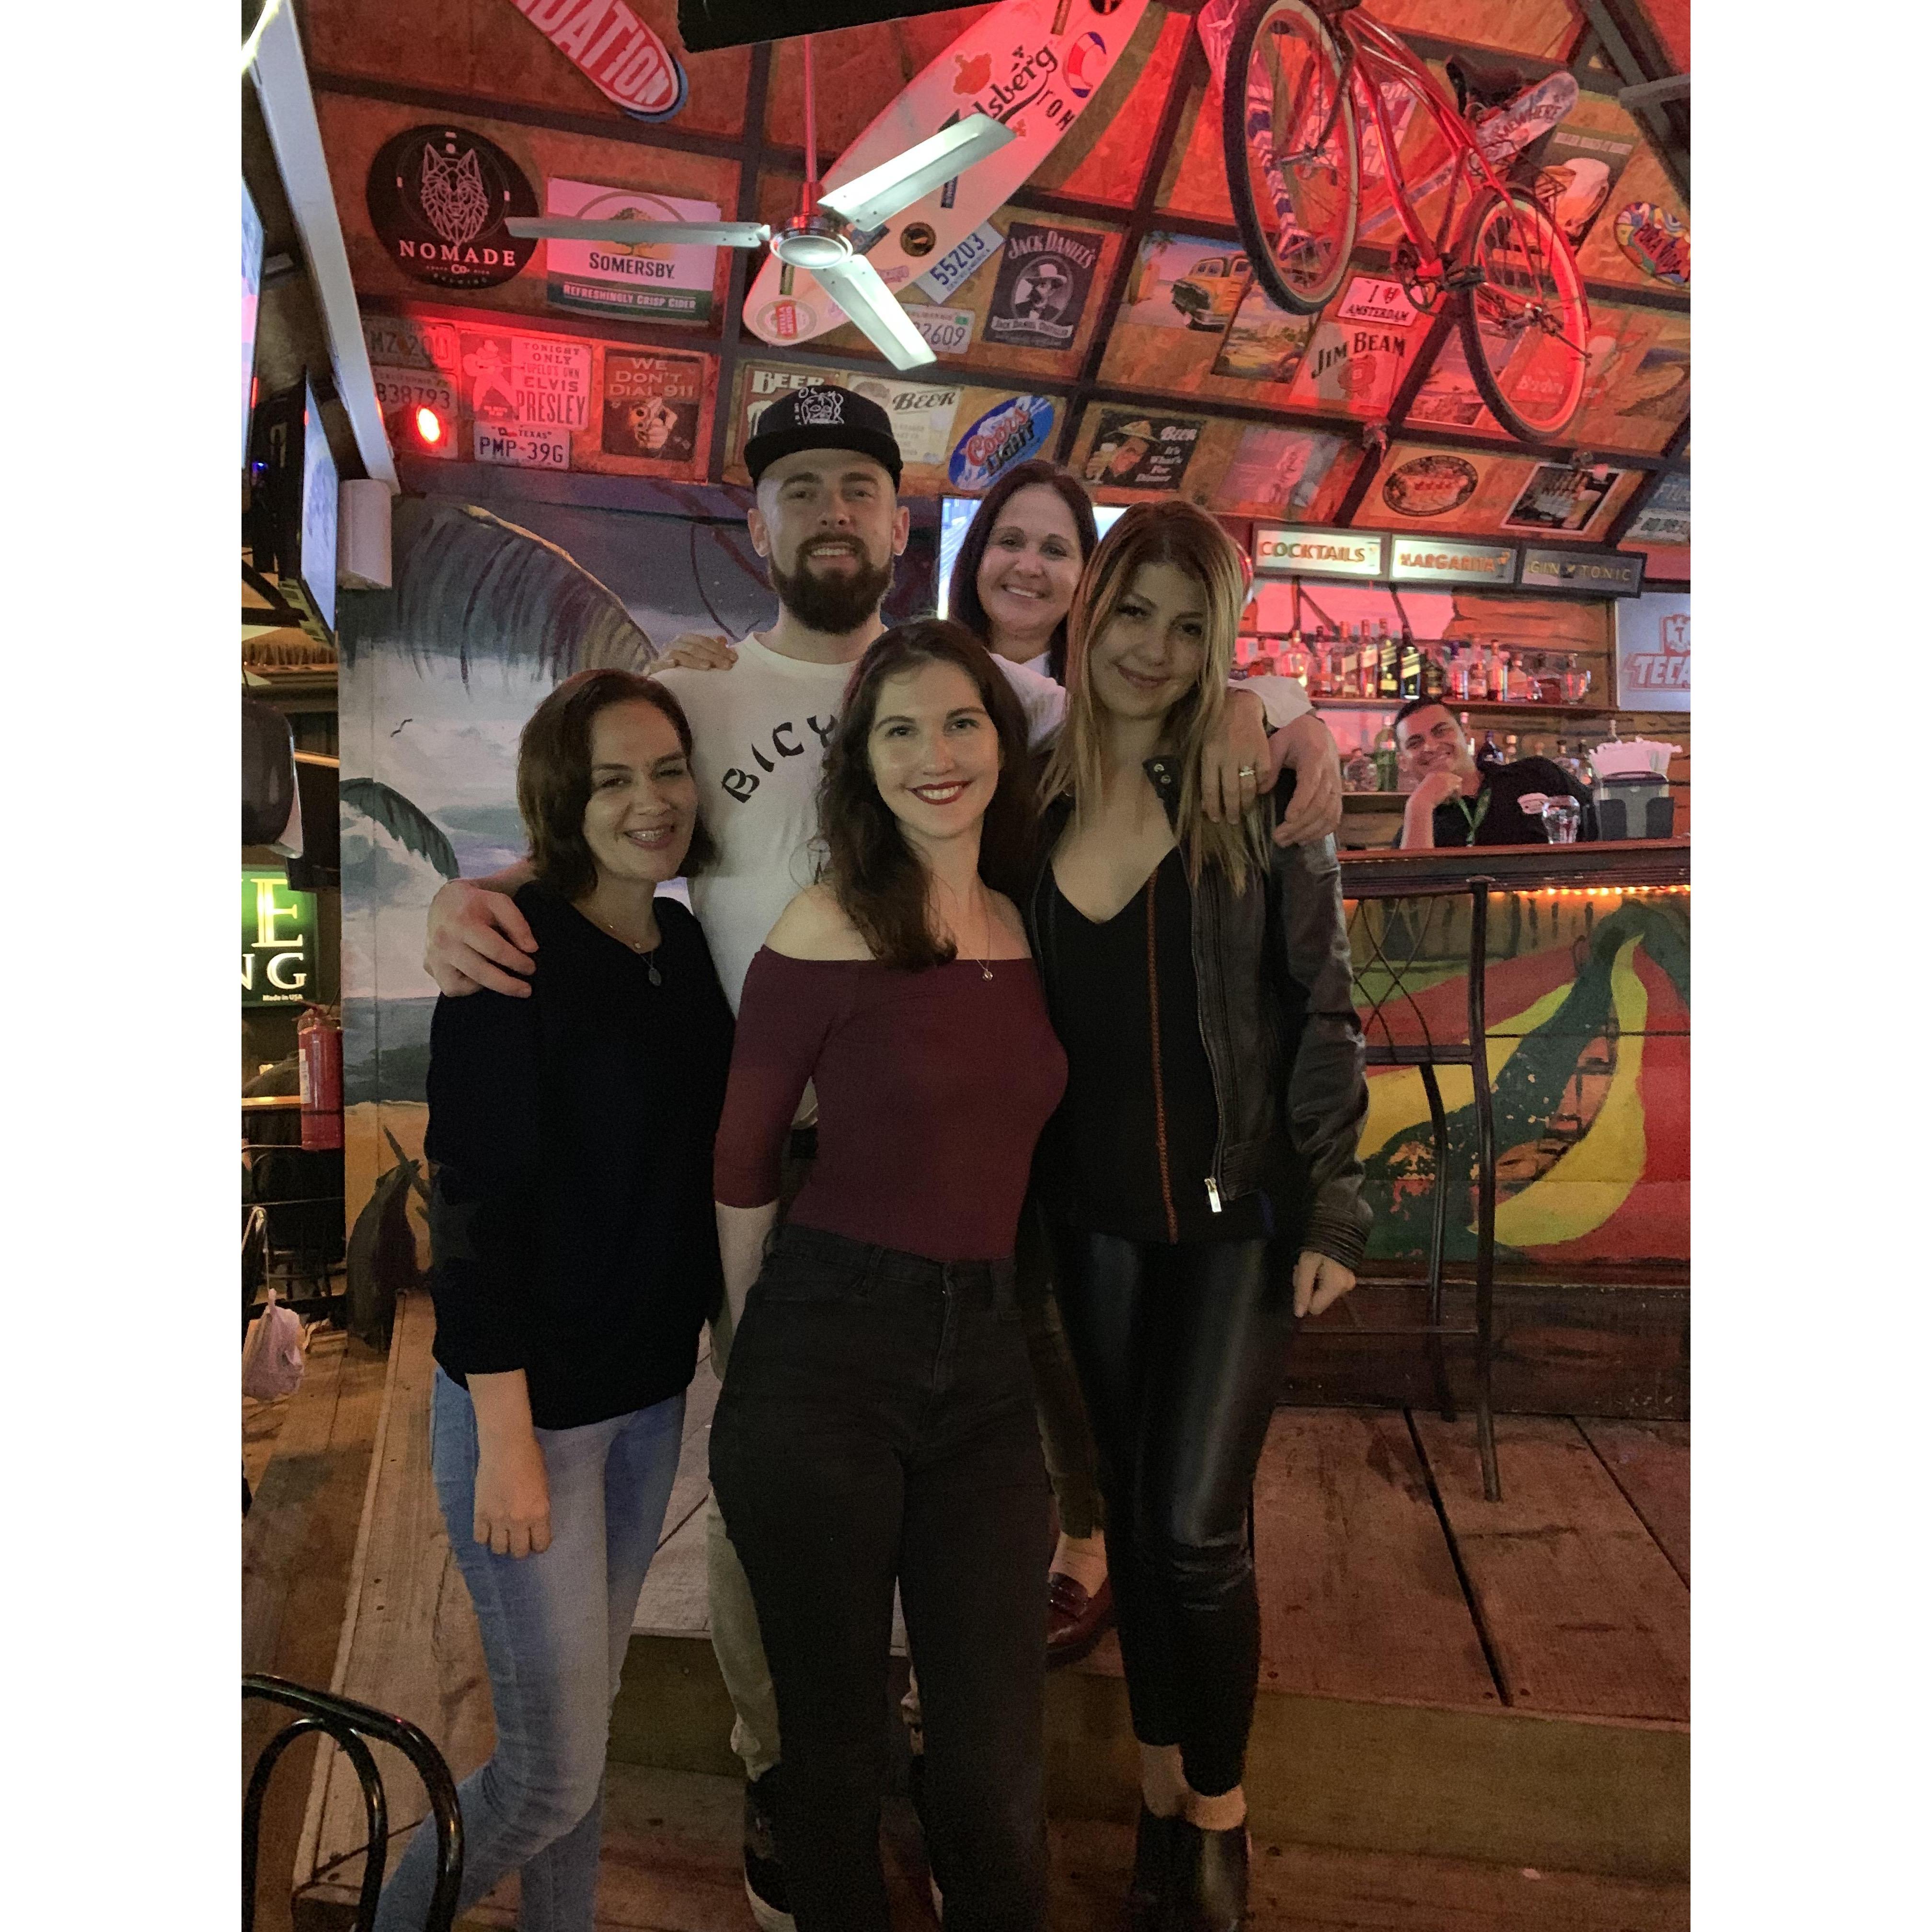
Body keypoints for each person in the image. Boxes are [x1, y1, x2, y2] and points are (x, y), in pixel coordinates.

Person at [420, 387, 1346, 1931]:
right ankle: (790, 1807)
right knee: (770, 1565)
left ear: (899, 524)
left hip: (970, 1202)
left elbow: (1171, 701)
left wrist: (1287, 711)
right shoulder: (696, 693)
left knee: (1018, 1600)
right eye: (801, 490)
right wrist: (480, 895)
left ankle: (1005, 1786)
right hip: (753, 1181)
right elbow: (604, 817)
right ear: (761, 522)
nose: (833, 513)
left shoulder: (1007, 708)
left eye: (861, 486)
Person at [1027, 501, 1372, 1930]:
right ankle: (1162, 1794)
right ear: (1088, 615)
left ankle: (1219, 1825)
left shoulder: (1247, 782)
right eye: (1133, 615)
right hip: (1087, 1221)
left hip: (1239, 1218)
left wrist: (1337, 1210)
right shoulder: (1025, 795)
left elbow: (1324, 1007)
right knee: (1127, 1501)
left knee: (1192, 1532)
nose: (1156, 650)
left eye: (1191, 627)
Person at [708, 618, 1066, 1931]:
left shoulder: (1027, 924)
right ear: (862, 761)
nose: (934, 754)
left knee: (989, 1764)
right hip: (825, 1346)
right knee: (836, 1753)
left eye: (960, 721)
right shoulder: (826, 920)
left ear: (1000, 739)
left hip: (985, 1365)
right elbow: (744, 1159)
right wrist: (757, 1353)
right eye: (898, 730)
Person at [373, 670, 734, 1932]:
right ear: (561, 804)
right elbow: (466, 1213)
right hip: (525, 1419)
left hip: (643, 1405)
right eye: (611, 780)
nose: (650, 802)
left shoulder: (682, 950)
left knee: (586, 1731)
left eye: (667, 770)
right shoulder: (510, 951)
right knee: (541, 1771)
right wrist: (510, 1439)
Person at [1394, 696, 1596, 848]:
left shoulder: (1537, 774)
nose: (1431, 745)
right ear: (1403, 762)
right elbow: (1411, 900)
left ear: (1465, 735)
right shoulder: (1414, 830)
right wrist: (1420, 806)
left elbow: (1605, 829)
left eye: (1441, 731)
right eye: (1415, 743)